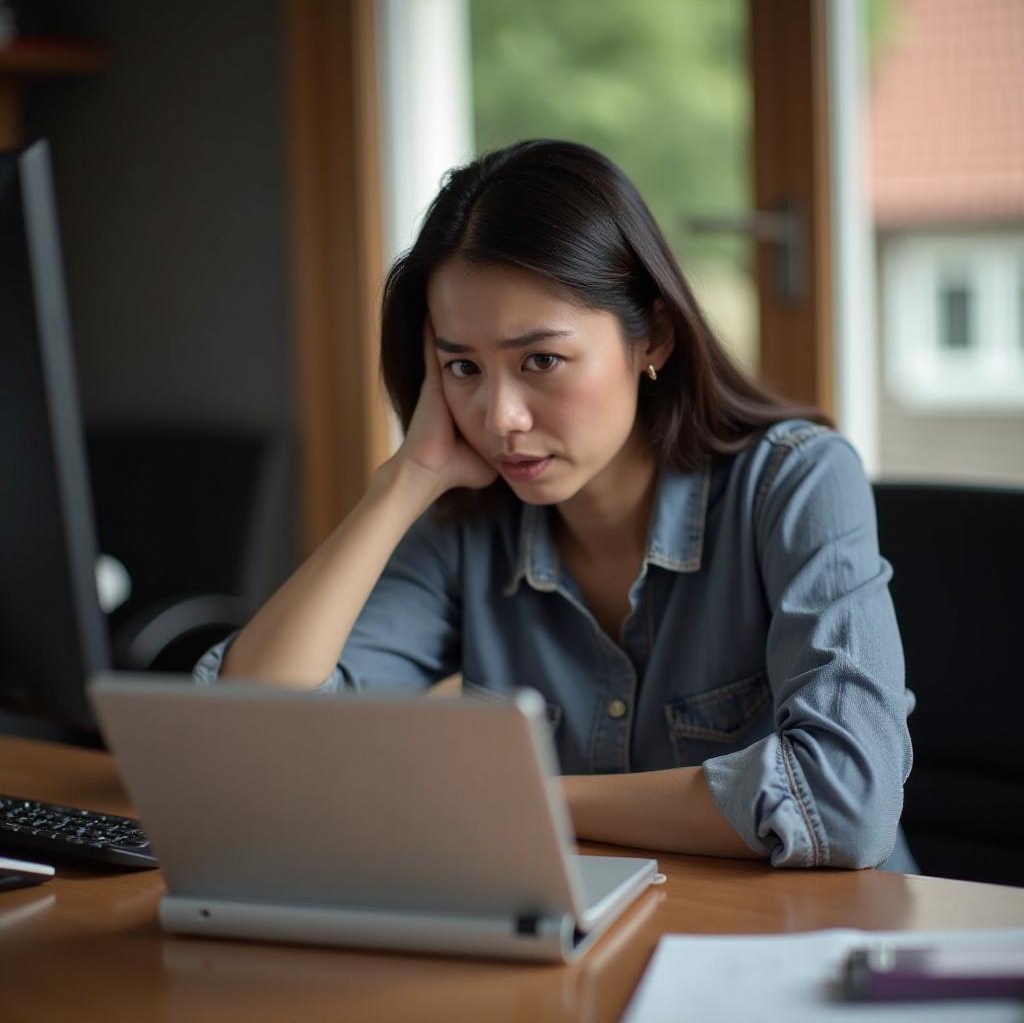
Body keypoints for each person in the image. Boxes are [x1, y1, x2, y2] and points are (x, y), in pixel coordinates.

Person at [195, 138, 915, 872]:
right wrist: (405, 480)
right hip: (596, 946)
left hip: (824, 950)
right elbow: (247, 736)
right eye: (463, 368)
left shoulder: (795, 483)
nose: (500, 415)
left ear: (653, 337)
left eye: (541, 360)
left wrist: (517, 796)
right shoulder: (468, 526)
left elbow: (845, 802)